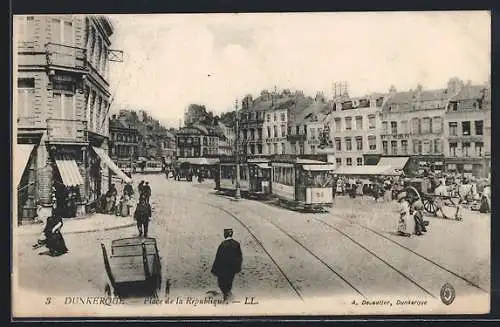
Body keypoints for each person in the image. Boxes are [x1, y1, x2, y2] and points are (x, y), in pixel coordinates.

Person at [211, 228, 243, 302]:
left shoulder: (223, 244)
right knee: (229, 282)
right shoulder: (236, 244)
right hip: (232, 268)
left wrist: (214, 269)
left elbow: (218, 257)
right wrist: (238, 268)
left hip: (223, 268)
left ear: (225, 235)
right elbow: (239, 257)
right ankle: (228, 295)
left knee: (221, 283)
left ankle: (227, 296)